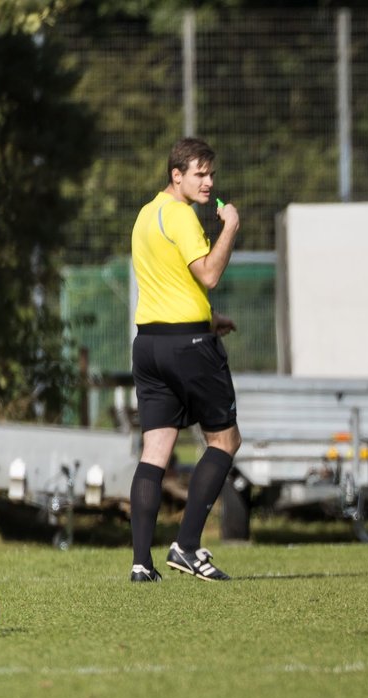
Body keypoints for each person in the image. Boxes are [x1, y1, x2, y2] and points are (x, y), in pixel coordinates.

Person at [128, 137, 241, 582]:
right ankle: (187, 546)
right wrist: (229, 227)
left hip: (150, 345)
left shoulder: (144, 215)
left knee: (155, 450)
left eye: (211, 174)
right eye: (200, 174)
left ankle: (141, 563)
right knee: (225, 442)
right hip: (188, 349)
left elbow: (169, 285)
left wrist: (210, 320)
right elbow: (208, 274)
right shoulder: (181, 215)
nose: (209, 182)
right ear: (177, 175)